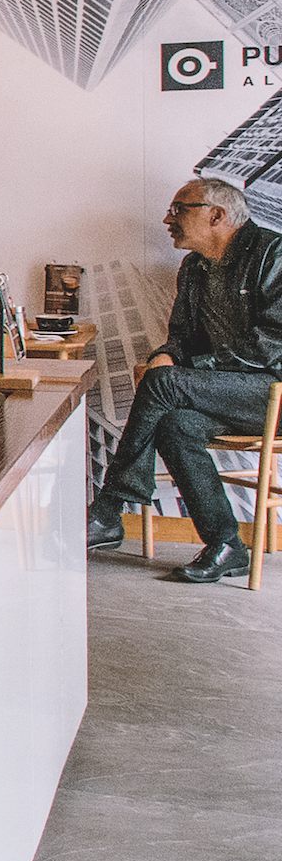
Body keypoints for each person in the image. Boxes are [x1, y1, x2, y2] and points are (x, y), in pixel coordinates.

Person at [87, 178, 282, 583]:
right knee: (176, 426)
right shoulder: (194, 266)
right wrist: (166, 354)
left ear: (217, 215)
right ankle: (227, 545)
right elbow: (182, 336)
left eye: (178, 209)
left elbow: (273, 342)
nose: (166, 219)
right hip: (225, 394)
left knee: (165, 384)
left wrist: (188, 369)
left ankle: (107, 509)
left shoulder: (274, 253)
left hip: (274, 395)